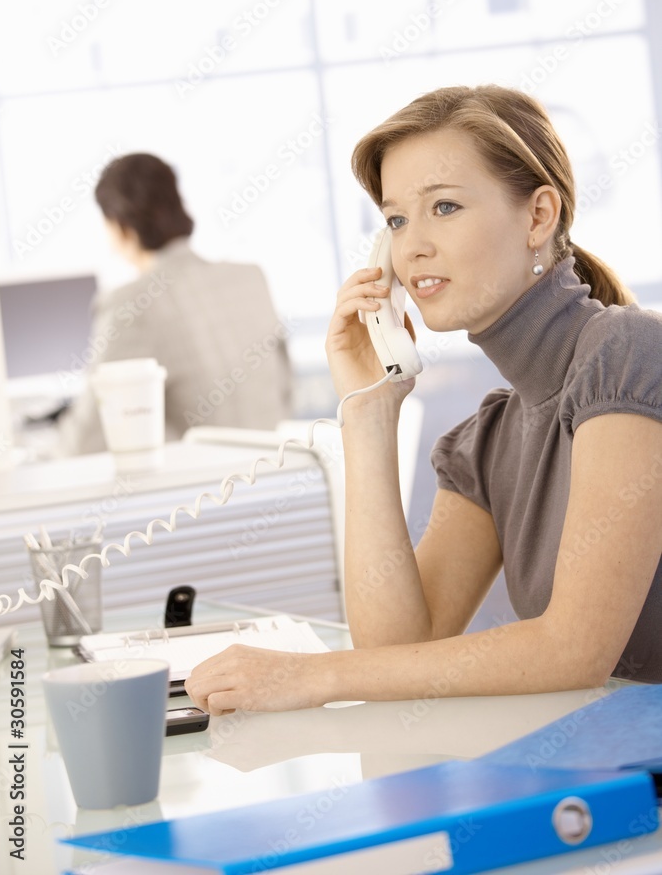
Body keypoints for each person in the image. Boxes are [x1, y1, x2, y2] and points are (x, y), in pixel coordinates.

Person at [185, 84, 662, 714]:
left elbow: (572, 651)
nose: (411, 248)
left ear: (539, 216)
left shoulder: (627, 351)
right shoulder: (490, 437)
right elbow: (401, 645)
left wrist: (319, 676)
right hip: (609, 775)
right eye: (396, 220)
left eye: (445, 207)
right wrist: (369, 410)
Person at [55, 153, 293, 456]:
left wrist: (37, 453)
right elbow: (285, 390)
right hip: (277, 469)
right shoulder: (250, 277)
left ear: (120, 226)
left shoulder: (131, 303)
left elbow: (87, 439)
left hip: (206, 492)